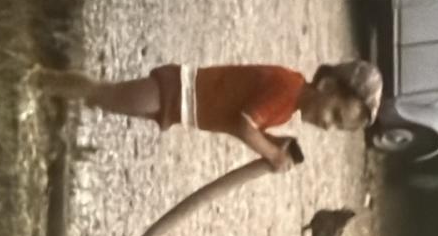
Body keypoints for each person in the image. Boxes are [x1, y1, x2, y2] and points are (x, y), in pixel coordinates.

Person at [33, 58, 383, 171]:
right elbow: (243, 125)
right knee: (105, 94)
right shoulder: (287, 91)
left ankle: (47, 86)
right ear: (327, 86)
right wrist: (272, 153)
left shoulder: (288, 105)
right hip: (176, 91)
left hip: (181, 108)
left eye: (336, 127)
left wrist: (272, 140)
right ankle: (38, 79)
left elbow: (246, 122)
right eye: (335, 114)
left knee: (107, 99)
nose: (327, 125)